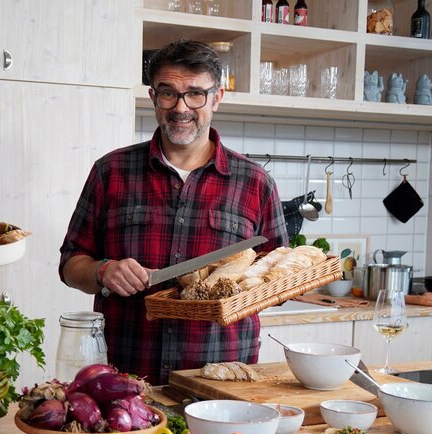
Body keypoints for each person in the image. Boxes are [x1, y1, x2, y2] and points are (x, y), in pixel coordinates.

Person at [58, 39, 288, 385]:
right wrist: (104, 271)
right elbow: (70, 264)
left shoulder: (255, 182)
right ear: (153, 98)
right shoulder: (111, 171)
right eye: (168, 93)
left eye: (195, 93)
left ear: (217, 98)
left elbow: (279, 274)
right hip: (126, 375)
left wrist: (237, 291)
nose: (181, 107)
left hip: (221, 379)